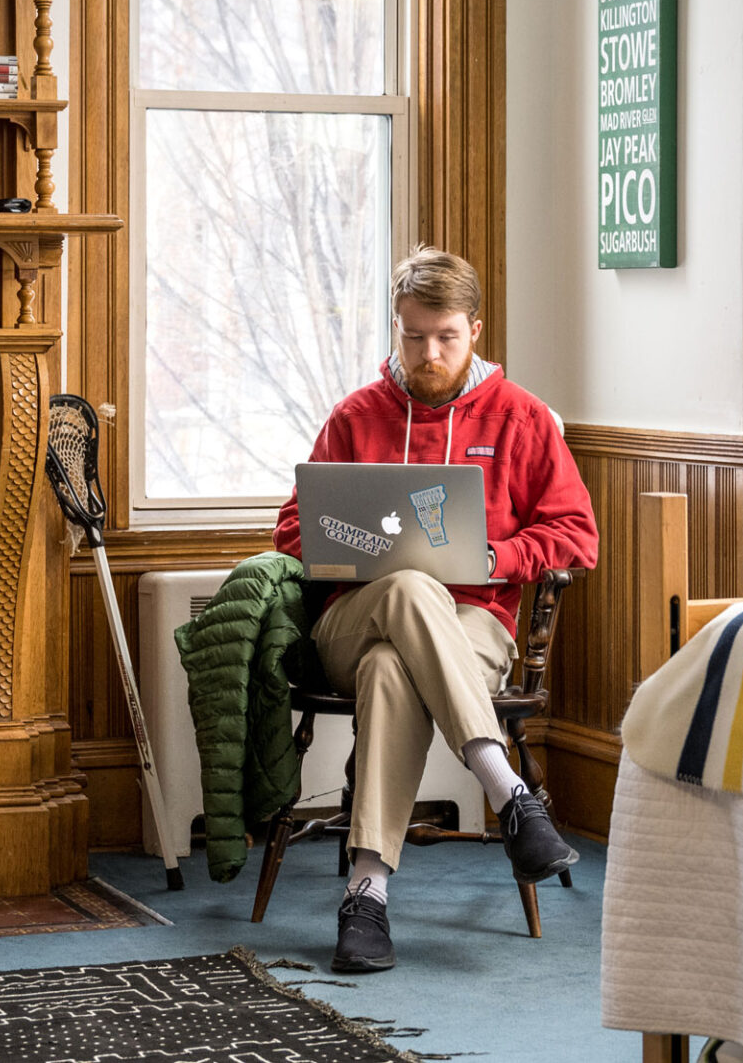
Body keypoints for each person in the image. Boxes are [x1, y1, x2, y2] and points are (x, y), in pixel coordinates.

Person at [273, 245, 600, 973]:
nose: (429, 352)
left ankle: (367, 895)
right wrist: (360, 550)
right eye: (413, 335)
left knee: (394, 669)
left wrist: (496, 560)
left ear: (475, 329)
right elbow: (292, 527)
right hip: (354, 618)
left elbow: (577, 536)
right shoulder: (355, 416)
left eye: (445, 336)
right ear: (395, 328)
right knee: (410, 585)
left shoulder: (521, 418)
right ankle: (508, 790)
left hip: (475, 621)